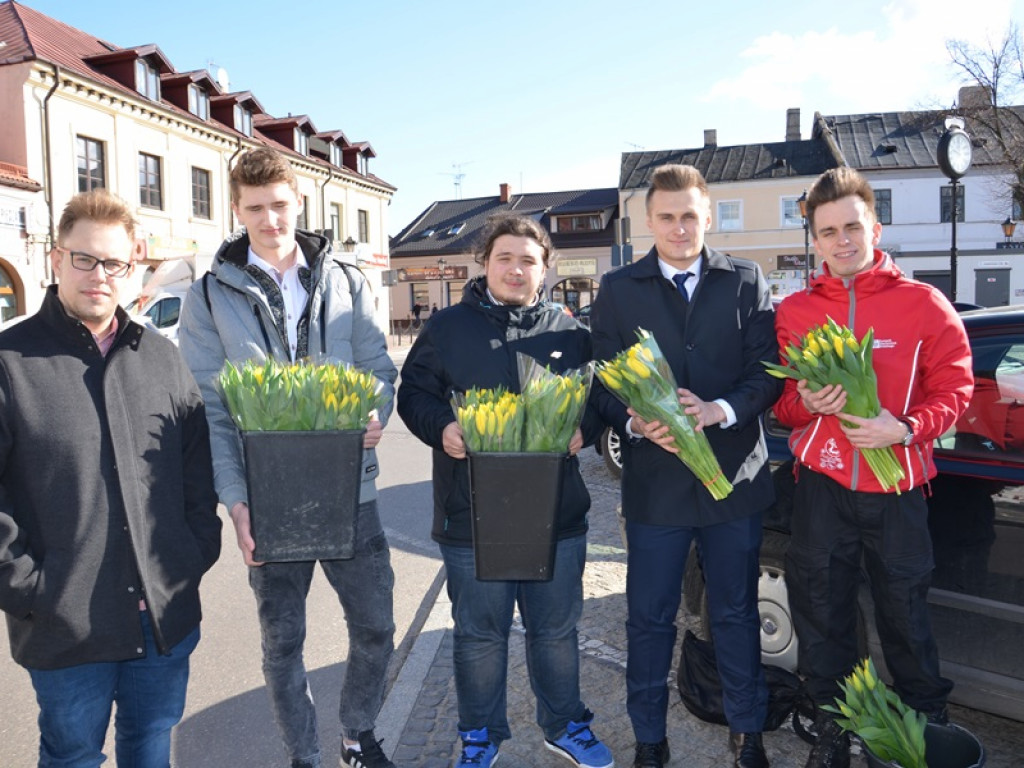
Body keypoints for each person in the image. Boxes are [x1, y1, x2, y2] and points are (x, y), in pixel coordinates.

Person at [178, 147, 399, 768]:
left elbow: (378, 370)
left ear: (298, 201)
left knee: (377, 627)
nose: (270, 220)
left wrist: (375, 410)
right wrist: (236, 502)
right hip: (268, 498)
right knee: (283, 643)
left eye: (279, 205)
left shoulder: (346, 280)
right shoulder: (210, 296)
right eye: (255, 209)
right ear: (235, 209)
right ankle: (303, 755)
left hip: (351, 489)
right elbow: (213, 412)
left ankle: (357, 732)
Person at [0, 189, 221, 766]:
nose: (99, 275)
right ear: (56, 260)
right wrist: (27, 589)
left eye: (115, 263)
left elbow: (197, 468)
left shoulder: (161, 357)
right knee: (72, 757)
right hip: (66, 625)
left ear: (132, 268)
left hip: (163, 618)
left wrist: (194, 550)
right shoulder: (9, 363)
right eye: (84, 259)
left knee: (149, 748)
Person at [773, 167, 973, 768]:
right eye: (828, 231)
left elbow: (957, 390)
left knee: (905, 617)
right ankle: (834, 727)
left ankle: (924, 730)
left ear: (874, 227)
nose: (842, 240)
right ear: (814, 239)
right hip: (823, 488)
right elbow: (782, 406)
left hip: (899, 488)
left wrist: (905, 429)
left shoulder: (924, 304)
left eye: (851, 226)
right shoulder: (796, 311)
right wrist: (805, 403)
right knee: (821, 614)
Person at [397, 215, 613, 768]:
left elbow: (604, 400)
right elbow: (414, 393)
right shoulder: (447, 328)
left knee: (556, 630)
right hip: (471, 516)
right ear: (485, 264)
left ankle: (565, 725)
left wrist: (583, 430)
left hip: (556, 515)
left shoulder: (571, 333)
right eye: (505, 259)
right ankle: (480, 734)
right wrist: (441, 427)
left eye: (528, 260)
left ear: (545, 270)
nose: (516, 269)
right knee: (479, 635)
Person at [589, 164, 781, 768]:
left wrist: (721, 409)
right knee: (648, 619)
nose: (679, 228)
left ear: (707, 215)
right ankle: (650, 738)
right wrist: (633, 420)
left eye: (689, 216)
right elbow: (599, 381)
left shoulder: (745, 280)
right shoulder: (620, 289)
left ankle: (747, 732)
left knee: (734, 612)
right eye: (667, 217)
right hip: (657, 486)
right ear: (648, 221)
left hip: (733, 482)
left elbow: (766, 374)